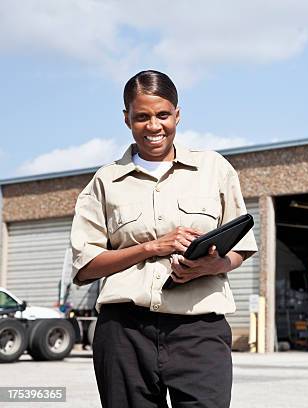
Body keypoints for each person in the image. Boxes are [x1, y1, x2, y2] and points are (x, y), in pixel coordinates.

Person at [70, 70, 257, 408]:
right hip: (125, 333)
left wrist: (212, 266)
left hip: (199, 329)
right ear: (127, 119)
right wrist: (152, 247)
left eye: (162, 115)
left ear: (177, 115)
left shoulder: (214, 169)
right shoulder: (106, 180)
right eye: (141, 116)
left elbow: (241, 246)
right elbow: (85, 268)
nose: (153, 126)